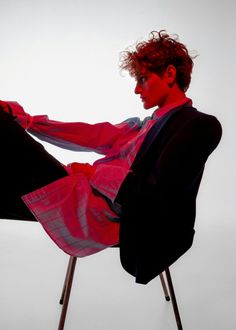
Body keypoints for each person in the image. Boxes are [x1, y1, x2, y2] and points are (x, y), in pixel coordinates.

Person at [0, 30, 222, 284]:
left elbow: (157, 194)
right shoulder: (142, 127)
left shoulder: (196, 125)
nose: (137, 89)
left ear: (170, 74)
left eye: (143, 79)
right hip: (77, 188)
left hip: (96, 212)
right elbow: (91, 134)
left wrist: (94, 173)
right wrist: (28, 122)